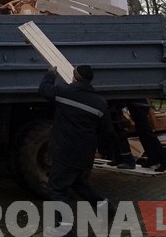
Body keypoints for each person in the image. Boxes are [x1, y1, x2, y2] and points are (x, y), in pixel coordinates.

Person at [39, 65, 114, 230]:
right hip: (84, 155)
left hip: (65, 152)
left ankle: (64, 228)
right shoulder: (100, 103)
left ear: (74, 77)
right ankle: (105, 207)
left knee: (57, 190)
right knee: (78, 183)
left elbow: (44, 90)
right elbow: (106, 130)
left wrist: (50, 74)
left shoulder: (64, 92)